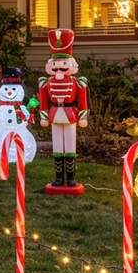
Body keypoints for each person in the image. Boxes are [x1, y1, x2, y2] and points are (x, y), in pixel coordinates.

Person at [37, 29, 88, 189]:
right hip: (54, 114)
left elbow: (82, 101)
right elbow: (43, 100)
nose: (59, 67)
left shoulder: (77, 82)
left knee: (70, 146)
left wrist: (83, 116)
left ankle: (71, 178)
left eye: (63, 63)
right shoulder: (46, 83)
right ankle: (59, 178)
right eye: (56, 64)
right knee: (58, 146)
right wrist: (44, 116)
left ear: (71, 64)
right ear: (51, 65)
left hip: (70, 114)